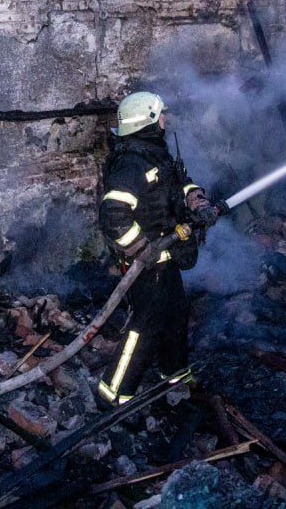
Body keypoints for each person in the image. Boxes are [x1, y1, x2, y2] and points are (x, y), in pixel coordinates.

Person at [95, 91, 226, 406]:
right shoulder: (130, 164)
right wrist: (141, 248)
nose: (165, 119)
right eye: (161, 115)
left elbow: (179, 184)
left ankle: (175, 376)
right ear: (148, 121)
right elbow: (112, 216)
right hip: (147, 266)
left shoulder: (155, 154)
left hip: (167, 260)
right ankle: (114, 394)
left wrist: (197, 200)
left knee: (176, 316)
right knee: (144, 328)